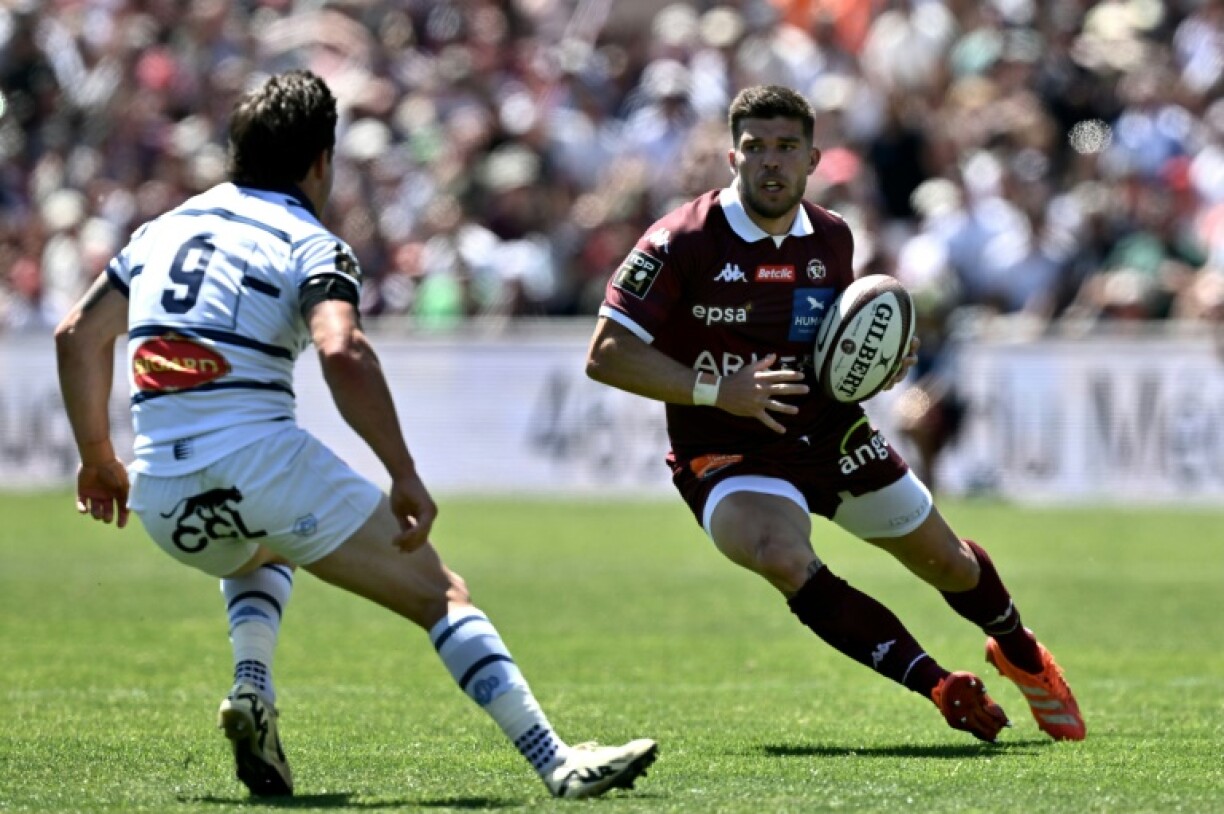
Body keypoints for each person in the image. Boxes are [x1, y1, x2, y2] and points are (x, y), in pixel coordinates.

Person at [54, 69, 657, 800]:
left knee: (258, 541)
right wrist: (402, 471)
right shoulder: (310, 241)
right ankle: (557, 761)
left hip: (162, 497)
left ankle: (252, 687)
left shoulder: (159, 231)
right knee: (443, 597)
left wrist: (97, 459)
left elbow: (79, 334)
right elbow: (343, 351)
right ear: (321, 162)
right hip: (258, 460)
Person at [584, 84, 1084, 744]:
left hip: (831, 433)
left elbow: (836, 347)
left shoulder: (832, 238)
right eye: (755, 148)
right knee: (782, 557)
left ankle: (1018, 649)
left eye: (786, 148)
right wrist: (716, 391)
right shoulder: (681, 240)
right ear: (732, 158)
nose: (771, 162)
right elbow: (607, 354)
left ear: (813, 159)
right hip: (729, 455)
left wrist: (880, 360)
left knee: (951, 565)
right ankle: (939, 684)